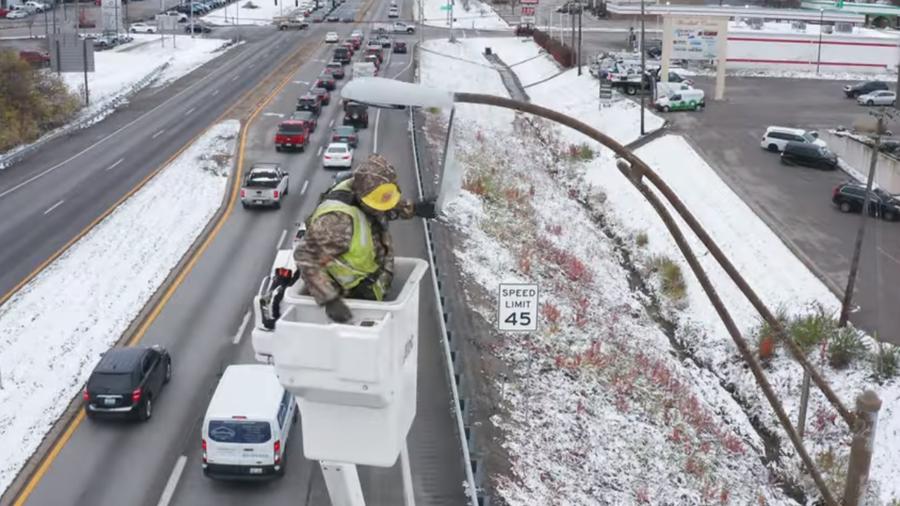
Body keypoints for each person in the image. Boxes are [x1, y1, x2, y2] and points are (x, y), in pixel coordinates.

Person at [294, 154, 437, 323]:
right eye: (375, 205)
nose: (381, 210)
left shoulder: (365, 188)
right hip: (353, 299)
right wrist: (329, 299)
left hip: (371, 284)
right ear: (361, 197)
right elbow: (305, 258)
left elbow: (384, 201)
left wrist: (415, 209)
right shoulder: (337, 221)